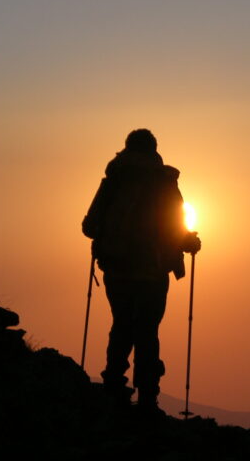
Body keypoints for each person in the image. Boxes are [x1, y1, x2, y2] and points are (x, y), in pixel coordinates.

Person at [82, 129, 201, 410]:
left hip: (117, 269)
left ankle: (113, 385)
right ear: (154, 149)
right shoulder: (164, 183)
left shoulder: (113, 181)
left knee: (121, 324)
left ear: (126, 148)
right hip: (152, 270)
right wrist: (190, 243)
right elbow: (176, 228)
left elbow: (89, 227)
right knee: (147, 330)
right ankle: (148, 396)